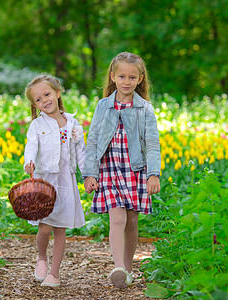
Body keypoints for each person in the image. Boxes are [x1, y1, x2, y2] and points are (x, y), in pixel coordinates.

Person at [83, 52, 161, 288]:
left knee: (132, 220)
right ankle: (118, 266)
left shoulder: (145, 109)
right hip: (110, 169)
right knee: (117, 217)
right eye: (122, 76)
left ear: (140, 79)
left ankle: (127, 269)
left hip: (135, 170)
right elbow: (94, 140)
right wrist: (90, 173)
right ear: (113, 76)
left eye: (132, 77)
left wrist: (153, 174)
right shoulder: (103, 106)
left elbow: (153, 143)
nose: (126, 81)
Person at [23, 74, 86, 287]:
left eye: (47, 94)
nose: (45, 100)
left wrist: (87, 176)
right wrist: (29, 161)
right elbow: (31, 145)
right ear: (35, 105)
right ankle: (42, 257)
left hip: (65, 181)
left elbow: (80, 152)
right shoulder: (37, 125)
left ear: (58, 93)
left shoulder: (73, 124)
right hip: (45, 182)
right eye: (39, 99)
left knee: (60, 229)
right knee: (45, 227)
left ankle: (54, 274)